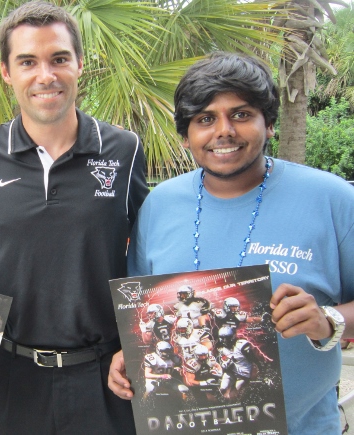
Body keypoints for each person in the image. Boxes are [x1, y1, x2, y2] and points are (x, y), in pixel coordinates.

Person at [108, 52, 354, 434]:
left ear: (269, 123)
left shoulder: (333, 200)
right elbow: (139, 314)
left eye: (241, 114)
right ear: (187, 136)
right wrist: (130, 357)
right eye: (205, 119)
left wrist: (330, 320)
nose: (224, 131)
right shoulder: (158, 206)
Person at [0, 2, 148, 433]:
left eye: (59, 59)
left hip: (107, 377)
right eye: (27, 61)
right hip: (11, 379)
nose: (45, 75)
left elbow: (150, 254)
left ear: (79, 65)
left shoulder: (124, 149)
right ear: (7, 72)